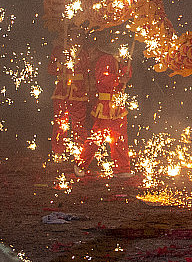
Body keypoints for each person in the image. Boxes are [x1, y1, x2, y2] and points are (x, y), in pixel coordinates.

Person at [75, 35, 133, 178]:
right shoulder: (105, 59)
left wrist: (126, 68)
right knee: (98, 136)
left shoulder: (118, 59)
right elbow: (103, 79)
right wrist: (119, 78)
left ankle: (122, 169)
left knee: (119, 137)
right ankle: (80, 163)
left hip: (117, 104)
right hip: (106, 105)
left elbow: (126, 76)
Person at [48, 29, 91, 155]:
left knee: (79, 125)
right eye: (74, 33)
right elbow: (51, 69)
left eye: (80, 34)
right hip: (61, 93)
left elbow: (88, 71)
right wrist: (59, 61)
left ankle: (81, 154)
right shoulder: (59, 50)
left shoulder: (84, 52)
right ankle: (58, 153)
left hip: (79, 94)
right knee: (60, 123)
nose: (77, 36)